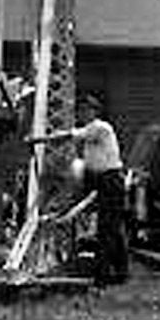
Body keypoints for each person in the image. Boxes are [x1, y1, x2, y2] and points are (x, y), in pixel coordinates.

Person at [35, 90, 129, 285]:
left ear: (94, 112)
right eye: (80, 111)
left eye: (85, 111)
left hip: (110, 180)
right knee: (112, 228)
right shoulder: (91, 133)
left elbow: (69, 136)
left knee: (107, 229)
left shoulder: (100, 128)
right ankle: (121, 273)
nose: (82, 114)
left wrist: (41, 140)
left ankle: (102, 277)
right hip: (100, 180)